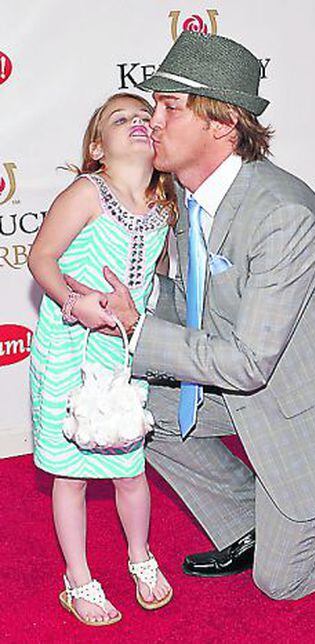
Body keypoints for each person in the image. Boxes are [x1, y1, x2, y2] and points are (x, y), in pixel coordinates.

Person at [66, 32, 315, 600]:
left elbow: (249, 361)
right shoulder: (185, 192)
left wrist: (134, 326)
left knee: (282, 582)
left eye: (169, 108)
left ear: (222, 124)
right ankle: (249, 525)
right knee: (130, 414)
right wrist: (130, 292)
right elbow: (200, 300)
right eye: (154, 105)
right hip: (250, 384)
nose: (151, 121)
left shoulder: (283, 217)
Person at [28, 92, 174, 625]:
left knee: (130, 466)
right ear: (97, 146)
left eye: (144, 117)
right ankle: (78, 578)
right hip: (67, 347)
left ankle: (141, 558)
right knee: (70, 474)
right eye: (121, 118)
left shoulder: (164, 202)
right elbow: (40, 256)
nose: (137, 123)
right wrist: (73, 303)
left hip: (119, 354)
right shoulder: (87, 192)